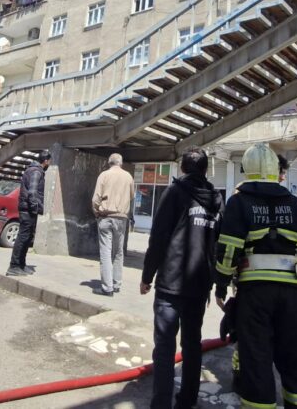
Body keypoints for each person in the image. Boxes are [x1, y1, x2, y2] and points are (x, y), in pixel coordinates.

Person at [214, 143, 297, 409]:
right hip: (292, 293)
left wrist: (220, 285)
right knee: (293, 355)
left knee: (256, 357)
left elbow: (228, 248)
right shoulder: (296, 205)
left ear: (246, 170)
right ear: (276, 171)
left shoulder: (239, 202)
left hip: (255, 292)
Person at [140, 147, 223, 409]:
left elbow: (159, 237)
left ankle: (161, 404)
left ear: (183, 169)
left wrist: (147, 275)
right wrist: (218, 283)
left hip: (171, 285)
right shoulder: (217, 200)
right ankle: (187, 401)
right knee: (192, 345)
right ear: (206, 170)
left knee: (165, 348)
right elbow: (220, 244)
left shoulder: (175, 193)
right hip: (200, 285)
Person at [91, 153, 135, 295]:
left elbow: (96, 198)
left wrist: (96, 212)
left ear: (109, 162)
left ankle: (107, 288)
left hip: (105, 217)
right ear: (120, 163)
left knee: (105, 252)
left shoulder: (104, 175)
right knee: (118, 252)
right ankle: (116, 284)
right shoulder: (128, 176)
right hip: (121, 219)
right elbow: (132, 195)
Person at [7, 150, 50, 276]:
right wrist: (35, 207)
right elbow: (32, 192)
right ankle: (14, 266)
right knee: (23, 237)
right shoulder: (36, 172)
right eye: (49, 162)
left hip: (27, 208)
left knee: (27, 238)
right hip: (28, 209)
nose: (49, 164)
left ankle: (21, 264)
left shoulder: (33, 170)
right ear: (46, 161)